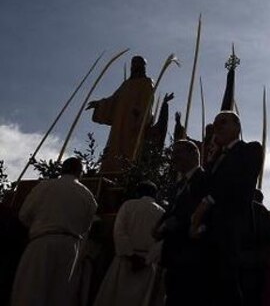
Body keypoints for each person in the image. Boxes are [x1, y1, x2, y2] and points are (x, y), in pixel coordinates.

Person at [190, 111, 264, 305]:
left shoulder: (250, 149)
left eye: (223, 122)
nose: (218, 127)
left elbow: (237, 182)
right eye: (215, 125)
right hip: (208, 232)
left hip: (231, 230)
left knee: (228, 289)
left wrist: (207, 202)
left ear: (237, 127)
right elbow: (201, 186)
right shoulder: (215, 159)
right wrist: (209, 157)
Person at [11, 157, 98, 306]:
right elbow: (85, 227)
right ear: (80, 173)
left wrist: (39, 227)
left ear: (62, 169)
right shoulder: (88, 196)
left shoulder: (44, 187)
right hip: (70, 247)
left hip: (42, 241)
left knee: (30, 289)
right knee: (60, 294)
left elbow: (24, 214)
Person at [155, 140, 209, 306]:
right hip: (173, 257)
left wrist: (179, 223)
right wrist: (159, 227)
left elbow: (202, 213)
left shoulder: (204, 180)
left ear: (193, 153)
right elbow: (172, 211)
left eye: (178, 153)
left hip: (191, 258)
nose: (173, 157)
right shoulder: (178, 186)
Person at [93, 181, 165, 306]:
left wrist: (130, 255)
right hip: (146, 264)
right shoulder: (162, 213)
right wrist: (148, 259)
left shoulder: (128, 206)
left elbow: (119, 231)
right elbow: (161, 241)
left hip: (125, 260)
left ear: (138, 193)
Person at [87, 55, 154, 173]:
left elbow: (147, 103)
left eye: (139, 63)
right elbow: (114, 100)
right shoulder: (126, 84)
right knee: (114, 149)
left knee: (130, 150)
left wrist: (140, 115)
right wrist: (99, 104)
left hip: (133, 124)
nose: (136, 66)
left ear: (143, 66)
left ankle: (128, 172)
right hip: (119, 124)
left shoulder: (146, 83)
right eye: (134, 63)